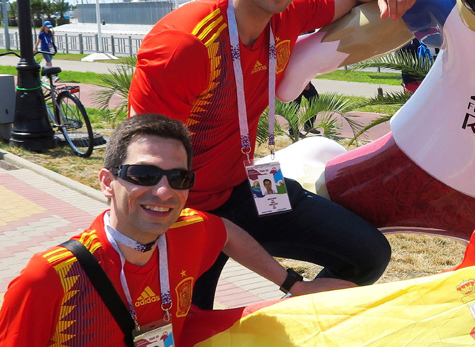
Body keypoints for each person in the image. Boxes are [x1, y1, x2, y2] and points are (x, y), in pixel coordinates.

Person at [127, 0, 417, 309]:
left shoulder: (289, 11)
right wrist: (290, 282)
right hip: (179, 206)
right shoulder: (184, 45)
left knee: (367, 254)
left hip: (246, 185)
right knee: (186, 329)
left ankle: (291, 325)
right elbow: (144, 171)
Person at [0, 114, 346, 347]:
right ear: (107, 182)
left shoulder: (188, 230)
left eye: (179, 178)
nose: (164, 192)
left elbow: (226, 232)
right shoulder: (51, 277)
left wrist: (295, 285)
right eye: (144, 175)